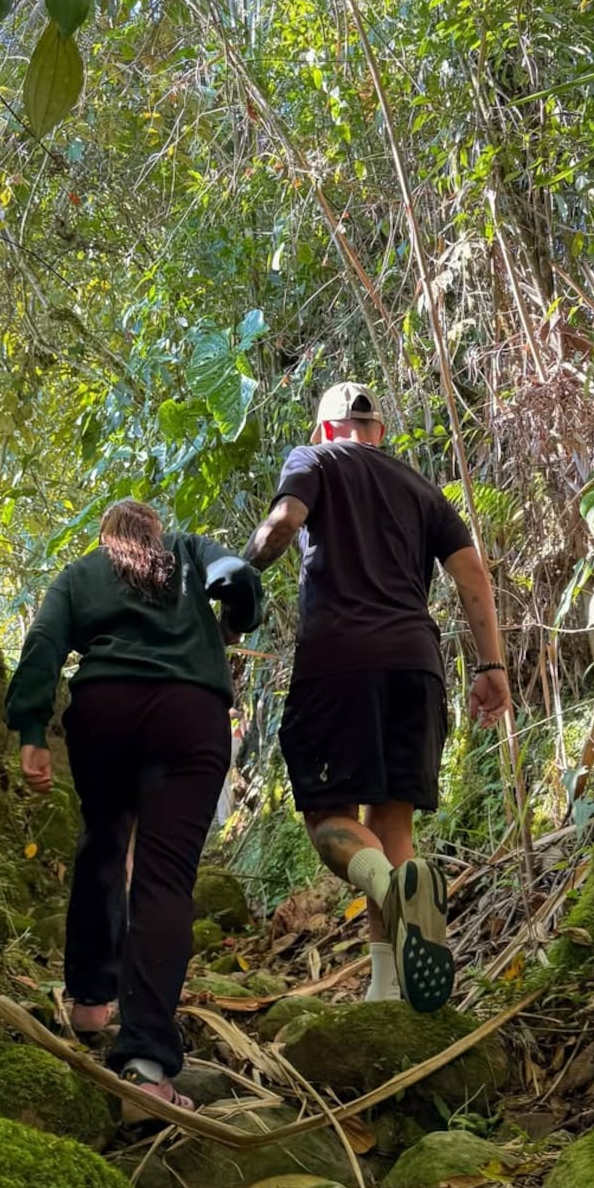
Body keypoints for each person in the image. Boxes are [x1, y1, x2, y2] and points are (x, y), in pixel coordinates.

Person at [244, 382, 511, 1013]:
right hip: (415, 667)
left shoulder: (314, 461)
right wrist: (491, 664)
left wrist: (242, 567)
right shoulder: (423, 488)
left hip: (339, 664)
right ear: (379, 430)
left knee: (328, 819)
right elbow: (471, 572)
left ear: (325, 430)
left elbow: (285, 522)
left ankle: (394, 896)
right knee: (390, 826)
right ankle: (389, 991)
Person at [5, 501, 261, 1112]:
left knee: (103, 840)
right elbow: (239, 577)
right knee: (165, 877)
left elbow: (43, 642)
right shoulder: (190, 551)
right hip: (189, 714)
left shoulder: (81, 573)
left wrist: (32, 732)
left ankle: (91, 1006)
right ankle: (146, 1065)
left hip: (105, 711)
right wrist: (233, 623)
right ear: (155, 531)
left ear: (107, 537)